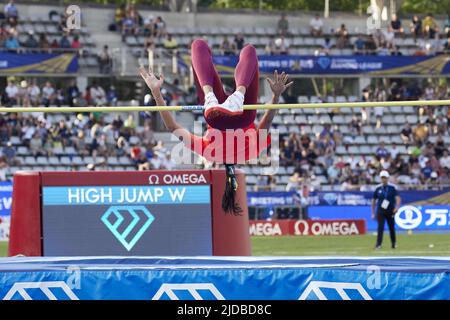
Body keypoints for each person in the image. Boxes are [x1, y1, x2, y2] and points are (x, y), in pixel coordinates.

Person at [139, 39, 292, 214]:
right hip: (216, 117)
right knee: (198, 46)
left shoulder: (248, 153)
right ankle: (212, 95)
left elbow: (267, 120)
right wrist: (156, 93)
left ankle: (233, 95)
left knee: (248, 51)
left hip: (237, 115)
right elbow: (172, 127)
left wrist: (276, 97)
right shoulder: (209, 153)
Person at [372, 170, 401, 249]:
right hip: (380, 211)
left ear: (388, 178)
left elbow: (398, 198)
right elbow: (374, 200)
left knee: (391, 228)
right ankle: (378, 244)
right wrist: (373, 212)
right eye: (382, 178)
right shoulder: (378, 188)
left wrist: (397, 207)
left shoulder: (392, 187)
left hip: (390, 210)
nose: (383, 179)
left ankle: (393, 243)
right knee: (380, 228)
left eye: (385, 177)